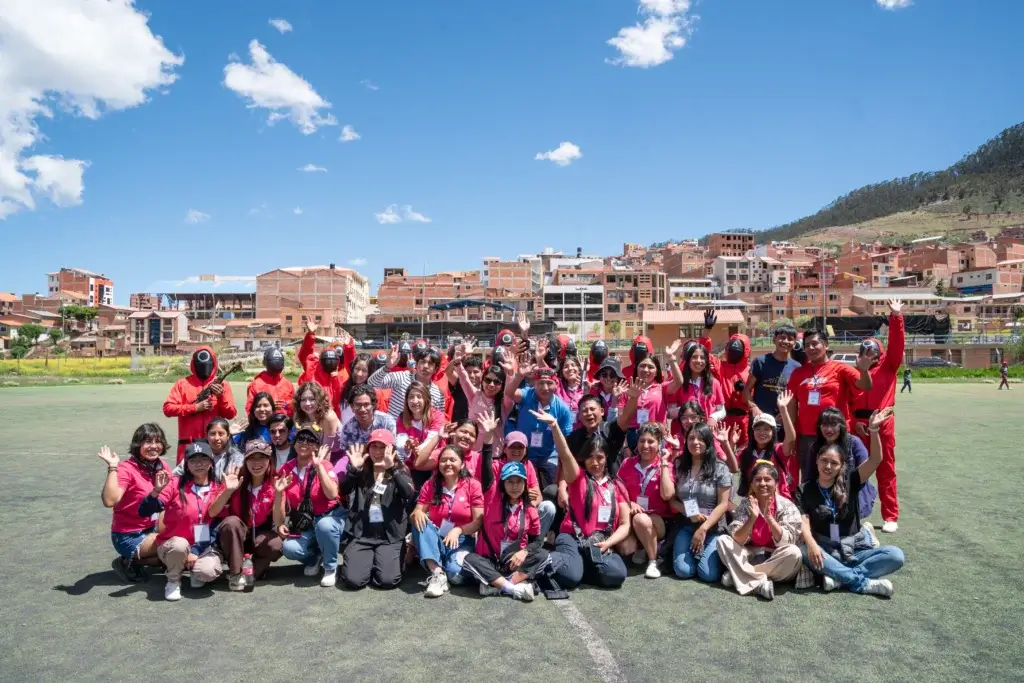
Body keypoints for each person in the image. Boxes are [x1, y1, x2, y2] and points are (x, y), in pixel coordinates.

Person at [797, 408, 904, 596]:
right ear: (816, 461)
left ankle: (841, 578)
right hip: (826, 549)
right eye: (824, 461)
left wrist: (874, 430)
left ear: (842, 466)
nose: (828, 466)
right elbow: (804, 522)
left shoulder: (851, 481)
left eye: (834, 463)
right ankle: (861, 582)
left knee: (895, 555)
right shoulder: (805, 489)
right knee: (804, 550)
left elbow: (876, 459)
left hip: (853, 548)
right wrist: (813, 545)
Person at [547, 412, 631, 590]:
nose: (595, 462)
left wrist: (608, 543)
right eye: (590, 457)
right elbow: (565, 455)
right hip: (572, 537)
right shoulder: (578, 479)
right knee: (570, 577)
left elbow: (625, 524)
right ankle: (554, 560)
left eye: (599, 457)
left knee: (617, 575)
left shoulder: (617, 486)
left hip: (599, 543)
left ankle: (580, 566)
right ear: (584, 460)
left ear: (606, 458)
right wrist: (555, 427)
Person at [462, 434, 551, 601]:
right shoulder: (492, 499)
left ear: (526, 484)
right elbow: (486, 469)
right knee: (469, 559)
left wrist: (524, 552)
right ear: (502, 484)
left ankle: (498, 585)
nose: (515, 486)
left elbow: (537, 541)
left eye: (519, 482)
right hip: (490, 560)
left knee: (544, 556)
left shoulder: (530, 509)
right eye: (510, 482)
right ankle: (512, 588)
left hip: (514, 562)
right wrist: (488, 438)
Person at [138, 440, 223, 601]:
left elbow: (218, 524)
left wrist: (196, 552)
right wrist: (156, 491)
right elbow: (145, 510)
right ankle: (173, 581)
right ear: (187, 465)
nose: (199, 464)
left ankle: (193, 570)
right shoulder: (175, 484)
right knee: (179, 545)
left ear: (211, 463)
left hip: (203, 546)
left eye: (204, 459)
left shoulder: (218, 487)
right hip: (173, 545)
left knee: (208, 572)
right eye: (193, 460)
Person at [786, 328, 872, 485]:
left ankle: (840, 509)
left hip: (835, 434)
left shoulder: (840, 368)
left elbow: (865, 386)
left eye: (815, 343)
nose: (810, 348)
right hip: (808, 436)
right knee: (809, 479)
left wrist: (864, 371)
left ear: (825, 345)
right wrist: (791, 434)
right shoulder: (798, 373)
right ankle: (811, 510)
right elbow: (791, 404)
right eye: (806, 345)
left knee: (839, 479)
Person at [196, 439, 283, 590]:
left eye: (261, 458)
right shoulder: (235, 479)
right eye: (252, 458)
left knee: (275, 545)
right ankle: (235, 574)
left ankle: (252, 567)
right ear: (245, 460)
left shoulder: (275, 483)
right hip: (235, 536)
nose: (256, 463)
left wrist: (279, 494)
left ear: (269, 460)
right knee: (231, 522)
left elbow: (279, 520)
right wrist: (228, 490)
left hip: (258, 538)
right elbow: (212, 511)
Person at [850, 299, 904, 533]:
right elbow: (847, 401)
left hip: (881, 423)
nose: (868, 354)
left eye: (872, 351)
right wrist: (853, 423)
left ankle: (890, 516)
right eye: (864, 350)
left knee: (885, 469)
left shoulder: (888, 367)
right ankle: (851, 514)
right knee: (853, 470)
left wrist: (896, 318)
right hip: (857, 425)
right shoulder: (852, 372)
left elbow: (896, 346)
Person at [339, 431, 416, 590]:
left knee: (387, 581)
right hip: (363, 534)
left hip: (389, 536)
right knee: (354, 581)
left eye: (383, 447)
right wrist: (354, 470)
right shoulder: (363, 470)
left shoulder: (400, 470)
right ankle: (368, 560)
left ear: (392, 449)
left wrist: (392, 469)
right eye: (374, 446)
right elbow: (344, 490)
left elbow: (408, 494)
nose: (378, 452)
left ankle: (387, 559)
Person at [717, 460, 803, 600]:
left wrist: (769, 518)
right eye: (757, 480)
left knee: (794, 553)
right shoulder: (745, 504)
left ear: (776, 483)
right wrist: (752, 518)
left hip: (776, 558)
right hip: (751, 555)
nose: (762, 483)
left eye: (767, 480)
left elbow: (786, 541)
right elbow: (737, 538)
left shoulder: (787, 506)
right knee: (723, 540)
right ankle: (759, 584)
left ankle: (739, 575)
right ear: (751, 484)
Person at [410, 444, 484, 597]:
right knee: (419, 520)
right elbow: (416, 512)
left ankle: (445, 569)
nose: (448, 464)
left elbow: (478, 521)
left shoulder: (473, 485)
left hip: (461, 540)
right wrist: (417, 513)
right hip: (437, 536)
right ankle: (437, 574)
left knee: (456, 576)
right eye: (443, 460)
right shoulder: (431, 484)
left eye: (452, 460)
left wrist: (458, 530)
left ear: (462, 463)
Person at [98, 423, 170, 582]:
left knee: (177, 549)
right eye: (148, 442)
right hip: (129, 535)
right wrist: (112, 467)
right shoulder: (126, 469)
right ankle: (126, 561)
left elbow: (171, 497)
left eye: (157, 442)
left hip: (152, 527)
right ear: (138, 445)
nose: (153, 446)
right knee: (173, 550)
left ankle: (150, 555)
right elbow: (110, 500)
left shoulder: (161, 465)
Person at [273, 425, 343, 587]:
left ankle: (330, 568)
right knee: (289, 548)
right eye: (300, 439)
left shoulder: (324, 465)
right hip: (306, 522)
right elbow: (280, 515)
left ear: (317, 446)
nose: (304, 443)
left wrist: (319, 467)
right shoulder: (286, 469)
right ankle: (316, 557)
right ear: (294, 443)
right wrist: (278, 494)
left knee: (324, 526)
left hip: (329, 518)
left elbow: (332, 494)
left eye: (310, 440)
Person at [663, 421, 732, 582]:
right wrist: (689, 512)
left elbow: (723, 504)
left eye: (700, 439)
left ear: (708, 442)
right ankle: (692, 552)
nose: (695, 442)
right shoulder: (679, 465)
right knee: (683, 571)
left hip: (713, 528)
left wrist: (703, 529)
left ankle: (705, 553)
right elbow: (672, 501)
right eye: (691, 438)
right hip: (686, 524)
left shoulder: (720, 468)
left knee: (708, 575)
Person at [474, 412, 556, 539]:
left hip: (523, 511)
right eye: (512, 447)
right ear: (505, 449)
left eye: (520, 447)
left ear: (526, 450)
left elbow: (537, 496)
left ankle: (534, 544)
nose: (516, 450)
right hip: (498, 510)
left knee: (548, 507)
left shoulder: (528, 465)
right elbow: (489, 493)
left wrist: (527, 506)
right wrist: (522, 493)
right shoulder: (496, 465)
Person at [505, 357, 573, 491]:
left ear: (556, 384)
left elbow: (566, 441)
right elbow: (509, 393)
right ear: (534, 383)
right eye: (541, 383)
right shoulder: (527, 395)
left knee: (549, 492)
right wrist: (519, 375)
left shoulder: (562, 408)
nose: (545, 387)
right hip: (525, 454)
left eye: (549, 383)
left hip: (549, 457)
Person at [616, 422, 673, 579]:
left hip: (659, 520)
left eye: (651, 441)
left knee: (642, 519)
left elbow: (667, 495)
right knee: (626, 548)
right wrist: (629, 503)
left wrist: (664, 464)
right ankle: (642, 545)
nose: (645, 445)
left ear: (659, 443)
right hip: (632, 516)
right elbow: (617, 489)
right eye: (642, 441)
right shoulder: (628, 463)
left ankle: (653, 562)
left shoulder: (666, 465)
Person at [163, 346, 237, 463]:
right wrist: (194, 408)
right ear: (193, 364)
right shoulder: (182, 384)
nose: (204, 367)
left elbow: (231, 414)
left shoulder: (223, 385)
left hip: (215, 447)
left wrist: (221, 396)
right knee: (185, 480)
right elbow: (168, 409)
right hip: (188, 446)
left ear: (214, 364)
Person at [808, 407, 878, 524]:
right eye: (825, 424)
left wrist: (844, 492)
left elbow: (865, 472)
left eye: (834, 424)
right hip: (824, 490)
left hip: (852, 490)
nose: (829, 429)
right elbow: (809, 477)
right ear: (819, 427)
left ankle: (865, 529)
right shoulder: (815, 447)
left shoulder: (854, 443)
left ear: (841, 426)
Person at [618, 341, 684, 450]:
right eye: (642, 366)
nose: (646, 370)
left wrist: (671, 358)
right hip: (633, 437)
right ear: (636, 368)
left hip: (656, 435)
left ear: (657, 371)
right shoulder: (628, 390)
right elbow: (621, 419)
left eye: (650, 367)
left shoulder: (661, 388)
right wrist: (625, 446)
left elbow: (679, 382)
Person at [743, 324, 800, 438]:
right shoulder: (760, 362)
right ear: (774, 339)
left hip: (783, 423)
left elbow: (795, 398)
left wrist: (787, 416)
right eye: (782, 337)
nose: (786, 341)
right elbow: (746, 391)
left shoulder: (797, 367)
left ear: (794, 343)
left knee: (780, 455)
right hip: (760, 421)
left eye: (790, 339)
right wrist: (755, 409)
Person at [368, 342, 446, 420]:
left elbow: (438, 420)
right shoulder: (401, 377)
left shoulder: (438, 394)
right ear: (416, 363)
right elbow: (372, 383)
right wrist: (388, 367)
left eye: (430, 363)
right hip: (394, 430)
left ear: (435, 369)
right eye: (422, 361)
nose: (425, 366)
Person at [670, 343, 725, 446]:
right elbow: (669, 411)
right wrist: (687, 413)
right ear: (688, 360)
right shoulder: (678, 383)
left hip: (707, 434)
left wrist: (714, 417)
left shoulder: (714, 383)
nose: (699, 361)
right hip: (682, 436)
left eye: (702, 358)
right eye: (694, 357)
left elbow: (722, 410)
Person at [297, 320, 356, 416]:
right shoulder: (314, 369)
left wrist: (349, 347)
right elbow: (305, 356)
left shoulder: (343, 375)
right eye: (327, 359)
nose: (330, 362)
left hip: (333, 419)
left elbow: (352, 365)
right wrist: (311, 335)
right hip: (312, 416)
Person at [396, 380, 446, 488]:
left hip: (433, 463)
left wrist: (417, 449)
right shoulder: (402, 417)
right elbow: (400, 441)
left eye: (419, 397)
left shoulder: (437, 416)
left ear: (426, 399)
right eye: (411, 397)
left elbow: (432, 441)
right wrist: (407, 446)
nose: (415, 401)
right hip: (413, 465)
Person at [736, 408, 793, 501]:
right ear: (752, 432)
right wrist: (727, 443)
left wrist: (783, 410)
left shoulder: (779, 450)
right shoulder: (745, 452)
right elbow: (732, 468)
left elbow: (791, 438)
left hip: (778, 502)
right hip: (753, 502)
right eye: (757, 429)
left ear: (773, 432)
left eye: (766, 429)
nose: (762, 433)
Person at [336, 384, 398, 460]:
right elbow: (345, 457)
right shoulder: (347, 429)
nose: (362, 409)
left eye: (366, 404)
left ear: (373, 405)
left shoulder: (387, 422)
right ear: (352, 407)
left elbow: (395, 451)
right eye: (358, 405)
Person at [171, 418, 243, 483]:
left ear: (228, 436)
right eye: (212, 434)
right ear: (207, 436)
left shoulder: (236, 457)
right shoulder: (196, 453)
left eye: (221, 434)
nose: (216, 438)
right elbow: (174, 476)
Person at [292, 382, 342, 459]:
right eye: (303, 400)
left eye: (312, 399)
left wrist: (319, 469)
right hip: (313, 453)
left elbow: (326, 450)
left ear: (319, 400)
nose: (307, 403)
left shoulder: (328, 417)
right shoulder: (298, 416)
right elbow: (300, 444)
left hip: (336, 454)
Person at [718, 333, 753, 440]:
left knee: (743, 451)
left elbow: (755, 398)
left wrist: (746, 390)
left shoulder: (750, 371)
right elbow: (704, 357)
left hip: (744, 419)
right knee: (723, 452)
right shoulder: (720, 367)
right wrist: (706, 333)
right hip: (723, 417)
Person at [247, 346, 294, 415]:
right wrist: (268, 407)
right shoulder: (255, 385)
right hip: (263, 424)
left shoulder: (288, 384)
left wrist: (287, 405)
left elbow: (295, 406)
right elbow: (250, 409)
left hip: (285, 424)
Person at [339, 353, 372, 425]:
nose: (359, 374)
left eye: (364, 371)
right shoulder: (343, 388)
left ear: (370, 373)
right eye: (357, 369)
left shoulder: (372, 393)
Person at [555, 355, 586, 427]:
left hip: (581, 433)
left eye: (573, 365)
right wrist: (539, 358)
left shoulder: (585, 387)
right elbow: (547, 372)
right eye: (566, 367)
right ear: (562, 371)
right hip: (561, 432)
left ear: (579, 368)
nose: (570, 368)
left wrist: (584, 371)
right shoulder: (558, 386)